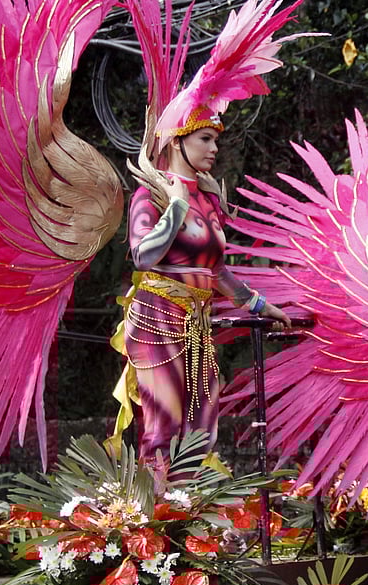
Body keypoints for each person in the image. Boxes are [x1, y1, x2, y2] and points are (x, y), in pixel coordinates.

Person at [119, 116, 292, 460]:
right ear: (176, 142)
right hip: (157, 317)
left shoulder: (210, 199)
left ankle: (189, 507)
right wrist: (176, 205)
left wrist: (258, 305)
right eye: (205, 139)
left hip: (197, 323)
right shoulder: (150, 193)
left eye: (216, 140)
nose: (214, 148)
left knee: (201, 426)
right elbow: (141, 256)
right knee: (163, 427)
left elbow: (216, 271)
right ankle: (158, 509)